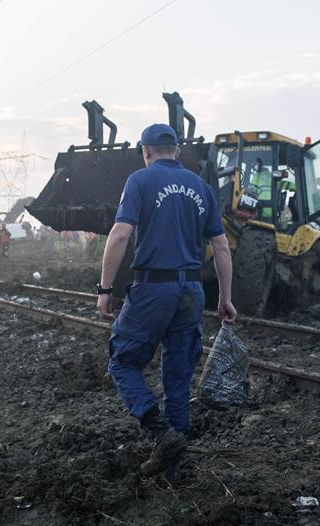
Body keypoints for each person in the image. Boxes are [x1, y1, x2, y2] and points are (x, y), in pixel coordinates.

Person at [97, 123, 237, 482]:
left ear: (145, 151)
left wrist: (105, 288)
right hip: (191, 291)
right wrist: (225, 298)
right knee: (178, 377)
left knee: (123, 363)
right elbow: (221, 246)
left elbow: (121, 235)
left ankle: (161, 433)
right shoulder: (202, 187)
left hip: (153, 290)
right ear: (177, 150)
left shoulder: (140, 181)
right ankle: (174, 470)